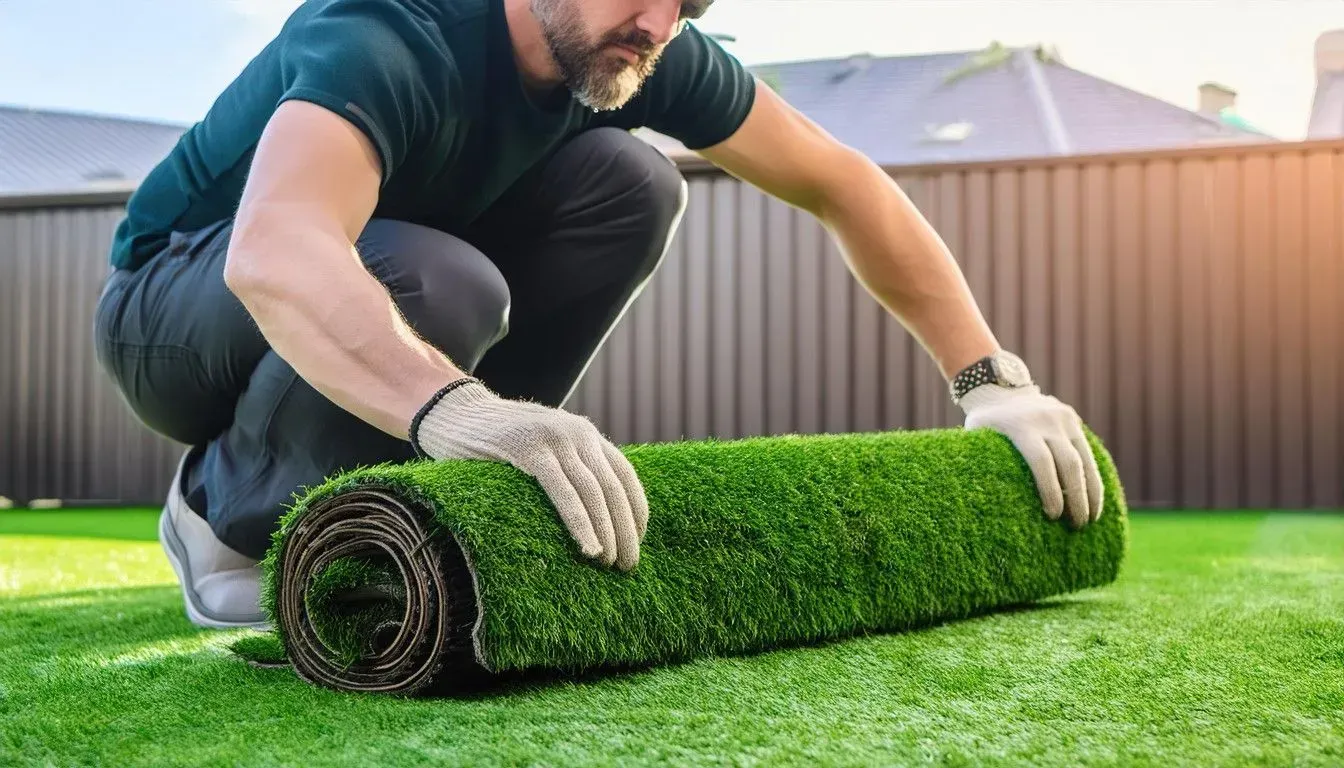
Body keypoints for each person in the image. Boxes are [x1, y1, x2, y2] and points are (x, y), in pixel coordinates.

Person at [92, 0, 1105, 632]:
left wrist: (990, 382)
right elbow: (278, 249)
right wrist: (457, 406)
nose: (661, 23)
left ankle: (452, 497)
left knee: (637, 180)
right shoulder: (391, 27)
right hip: (175, 315)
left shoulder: (642, 44)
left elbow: (842, 181)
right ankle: (224, 509)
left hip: (383, 282)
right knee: (436, 281)